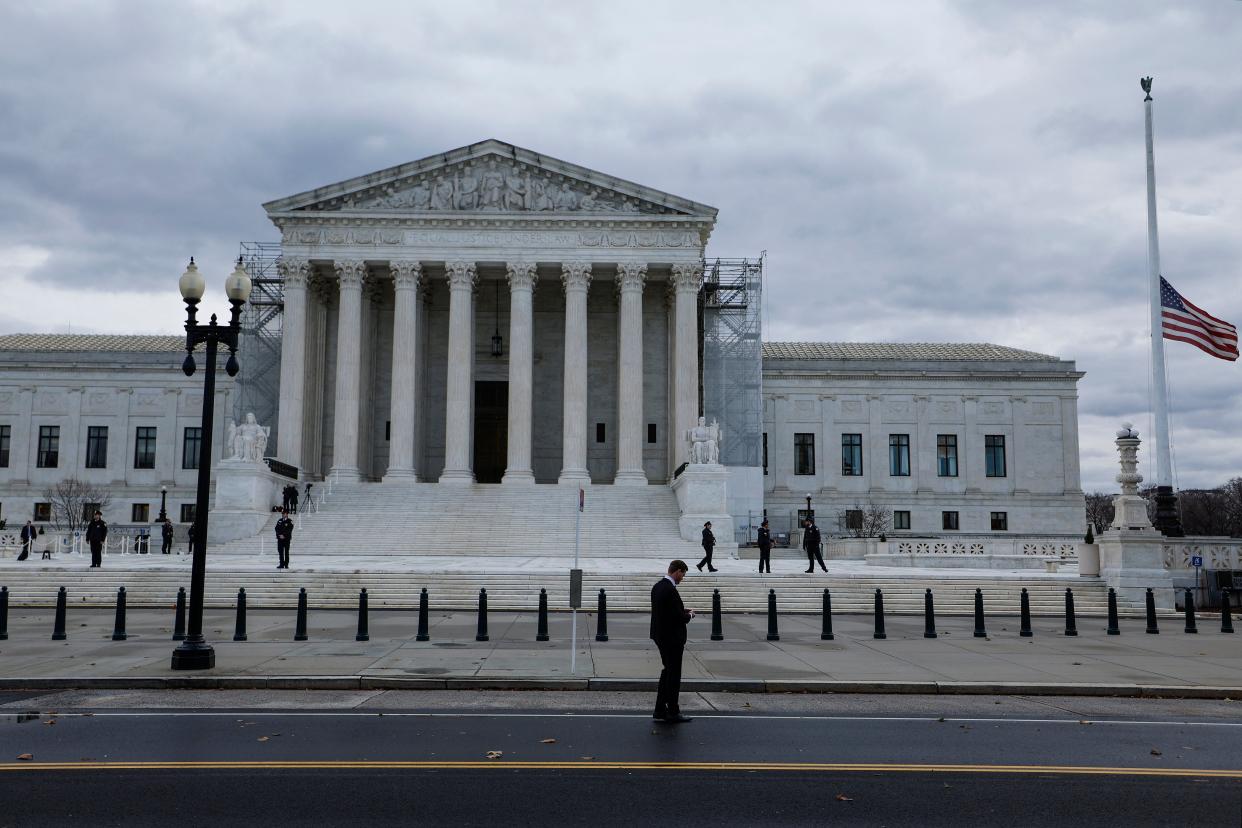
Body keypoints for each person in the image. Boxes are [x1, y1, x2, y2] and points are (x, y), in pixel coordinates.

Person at [650, 560, 694, 723]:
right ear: (678, 571)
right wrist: (689, 615)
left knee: (667, 671)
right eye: (683, 574)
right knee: (674, 675)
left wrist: (681, 611)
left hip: (660, 635)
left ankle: (660, 709)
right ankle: (672, 711)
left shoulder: (658, 587)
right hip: (672, 639)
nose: (683, 578)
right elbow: (677, 617)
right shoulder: (670, 590)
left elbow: (666, 611)